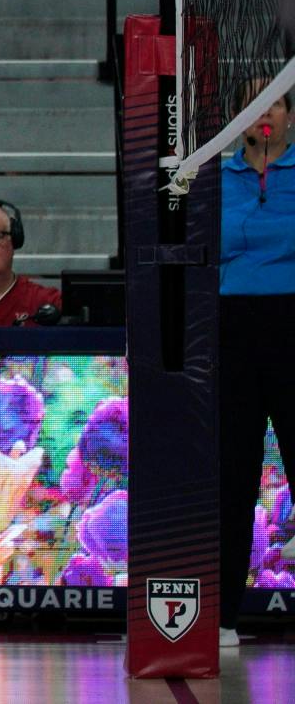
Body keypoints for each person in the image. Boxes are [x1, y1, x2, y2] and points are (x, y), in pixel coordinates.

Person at [217, 81, 295, 649]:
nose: (263, 114)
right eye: (252, 105)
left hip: (292, 329)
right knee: (232, 477)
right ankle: (220, 617)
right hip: (230, 334)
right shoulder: (210, 180)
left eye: (273, 103)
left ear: (290, 116)